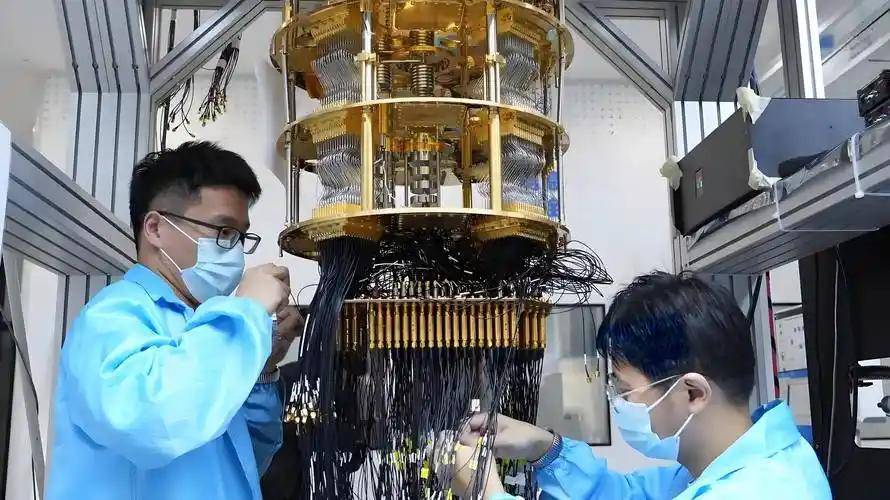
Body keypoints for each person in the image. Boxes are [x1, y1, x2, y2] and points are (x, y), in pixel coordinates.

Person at [46, 142, 303, 500]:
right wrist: (245, 310)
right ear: (155, 228)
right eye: (223, 231)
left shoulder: (201, 328)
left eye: (240, 237)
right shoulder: (111, 317)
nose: (234, 251)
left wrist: (262, 367)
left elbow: (242, 461)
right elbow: (151, 421)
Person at [455, 271, 832, 499]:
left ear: (693, 393)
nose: (617, 403)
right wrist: (546, 449)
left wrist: (486, 493)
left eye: (623, 391)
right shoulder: (723, 465)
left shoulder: (760, 490)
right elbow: (623, 496)